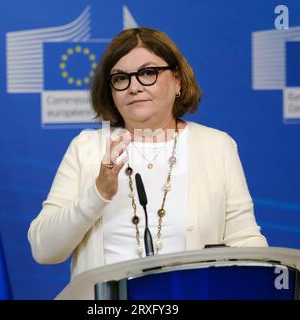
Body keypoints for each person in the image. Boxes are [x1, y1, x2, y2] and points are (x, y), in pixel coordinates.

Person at [28, 27, 267, 280]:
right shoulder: (87, 147)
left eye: (147, 73)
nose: (133, 87)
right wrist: (98, 193)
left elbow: (246, 243)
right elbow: (44, 250)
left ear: (177, 81)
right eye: (121, 78)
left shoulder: (216, 146)